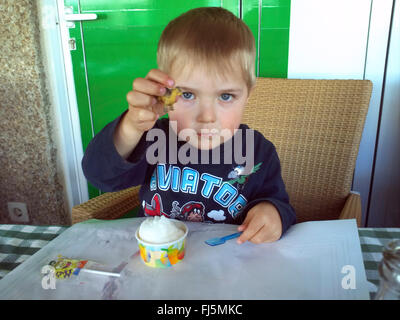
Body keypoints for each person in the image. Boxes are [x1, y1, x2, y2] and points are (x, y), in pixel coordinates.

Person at [82, 7, 296, 244]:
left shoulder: (257, 152)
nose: (206, 117)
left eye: (225, 96)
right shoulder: (155, 138)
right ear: (163, 92)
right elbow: (98, 174)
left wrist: (272, 212)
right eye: (187, 95)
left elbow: (279, 203)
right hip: (158, 264)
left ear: (247, 95)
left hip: (226, 268)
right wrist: (130, 128)